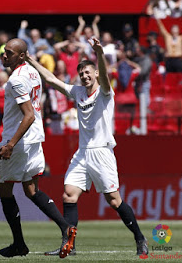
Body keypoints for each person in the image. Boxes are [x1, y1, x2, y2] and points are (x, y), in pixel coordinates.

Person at [26, 37, 148, 256]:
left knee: (114, 200)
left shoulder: (104, 92)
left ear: (97, 74)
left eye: (87, 72)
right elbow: (52, 80)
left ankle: (140, 238)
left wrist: (99, 54)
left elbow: (104, 72)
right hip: (82, 153)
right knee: (69, 195)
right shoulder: (78, 92)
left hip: (102, 151)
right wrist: (31, 60)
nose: (84, 76)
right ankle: (69, 245)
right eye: (81, 73)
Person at [0, 38, 77, 259]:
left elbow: (28, 115)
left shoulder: (16, 80)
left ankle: (19, 244)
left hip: (19, 140)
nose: (4, 56)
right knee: (31, 190)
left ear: (22, 56)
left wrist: (10, 144)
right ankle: (65, 227)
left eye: (9, 53)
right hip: (35, 140)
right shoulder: (33, 73)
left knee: (4, 189)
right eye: (4, 52)